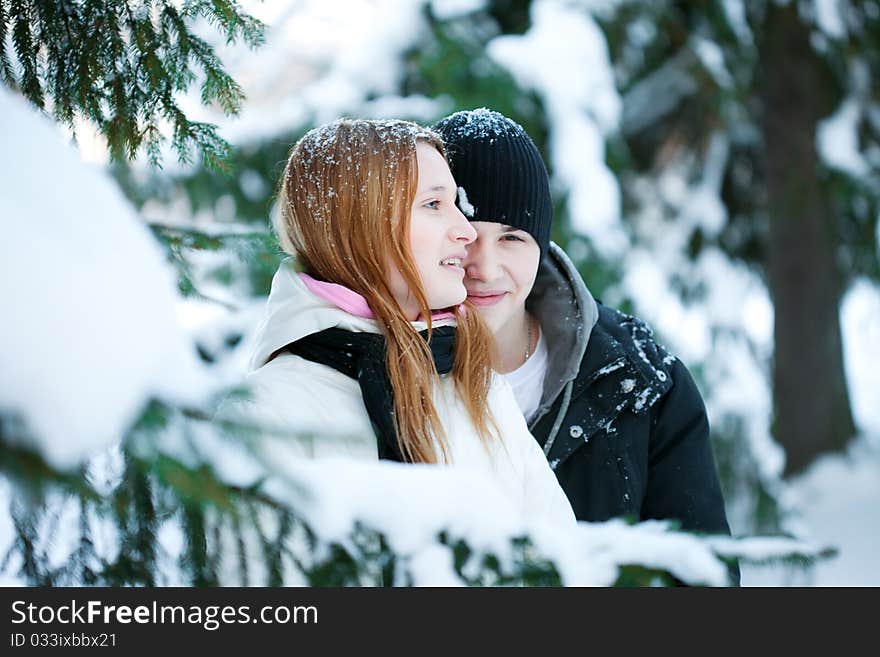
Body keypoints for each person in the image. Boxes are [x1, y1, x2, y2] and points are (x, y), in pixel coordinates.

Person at [221, 118, 575, 527]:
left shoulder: (478, 387)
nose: (464, 230)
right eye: (434, 204)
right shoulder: (265, 415)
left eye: (454, 205)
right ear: (361, 225)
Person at [433, 108, 738, 582]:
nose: (485, 267)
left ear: (541, 243)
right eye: (467, 236)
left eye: (512, 238)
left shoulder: (642, 382)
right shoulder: (381, 372)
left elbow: (702, 578)